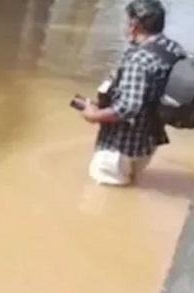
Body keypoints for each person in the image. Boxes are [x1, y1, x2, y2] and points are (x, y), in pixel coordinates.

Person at [80, 0, 186, 186]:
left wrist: (93, 115)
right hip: (148, 143)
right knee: (130, 187)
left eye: (127, 21)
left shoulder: (139, 60)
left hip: (119, 148)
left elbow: (128, 107)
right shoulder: (173, 49)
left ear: (134, 25)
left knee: (102, 196)